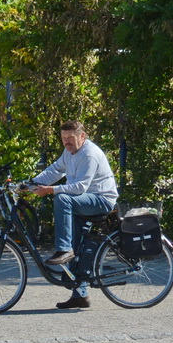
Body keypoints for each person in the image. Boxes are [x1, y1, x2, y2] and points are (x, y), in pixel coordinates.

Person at [30, 119, 117, 308]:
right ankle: (80, 294)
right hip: (83, 201)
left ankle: (64, 249)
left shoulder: (89, 154)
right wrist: (31, 182)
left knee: (62, 198)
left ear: (82, 136)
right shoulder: (69, 152)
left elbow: (80, 188)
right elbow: (55, 170)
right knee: (78, 243)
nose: (66, 142)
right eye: (63, 138)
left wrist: (50, 190)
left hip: (101, 200)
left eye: (70, 138)